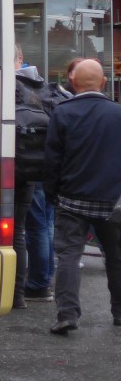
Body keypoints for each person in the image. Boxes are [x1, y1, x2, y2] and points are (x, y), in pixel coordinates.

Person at [43, 57, 121, 335]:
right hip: (112, 200)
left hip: (72, 199)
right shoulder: (118, 113)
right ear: (103, 82)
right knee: (116, 256)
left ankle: (67, 314)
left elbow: (52, 161)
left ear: (73, 82)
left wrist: (53, 195)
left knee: (68, 255)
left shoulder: (62, 113)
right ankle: (119, 312)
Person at [22, 57, 79, 302]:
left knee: (37, 226)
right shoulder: (48, 91)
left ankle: (39, 282)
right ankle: (45, 277)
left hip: (29, 167)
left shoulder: (21, 90)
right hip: (48, 169)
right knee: (46, 224)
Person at [13, 45, 63, 308]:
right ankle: (41, 282)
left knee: (25, 227)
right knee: (41, 224)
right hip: (41, 164)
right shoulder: (43, 86)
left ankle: (35, 284)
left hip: (18, 164)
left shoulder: (12, 87)